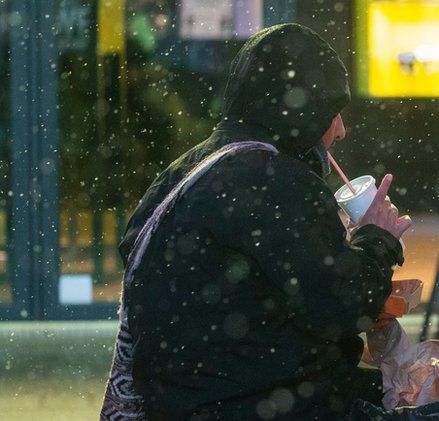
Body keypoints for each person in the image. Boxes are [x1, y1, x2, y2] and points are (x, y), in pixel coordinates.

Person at [102, 24, 414, 419]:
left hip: (180, 399)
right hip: (254, 403)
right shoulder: (275, 181)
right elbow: (343, 306)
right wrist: (377, 241)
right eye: (331, 112)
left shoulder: (195, 165)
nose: (339, 130)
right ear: (301, 110)